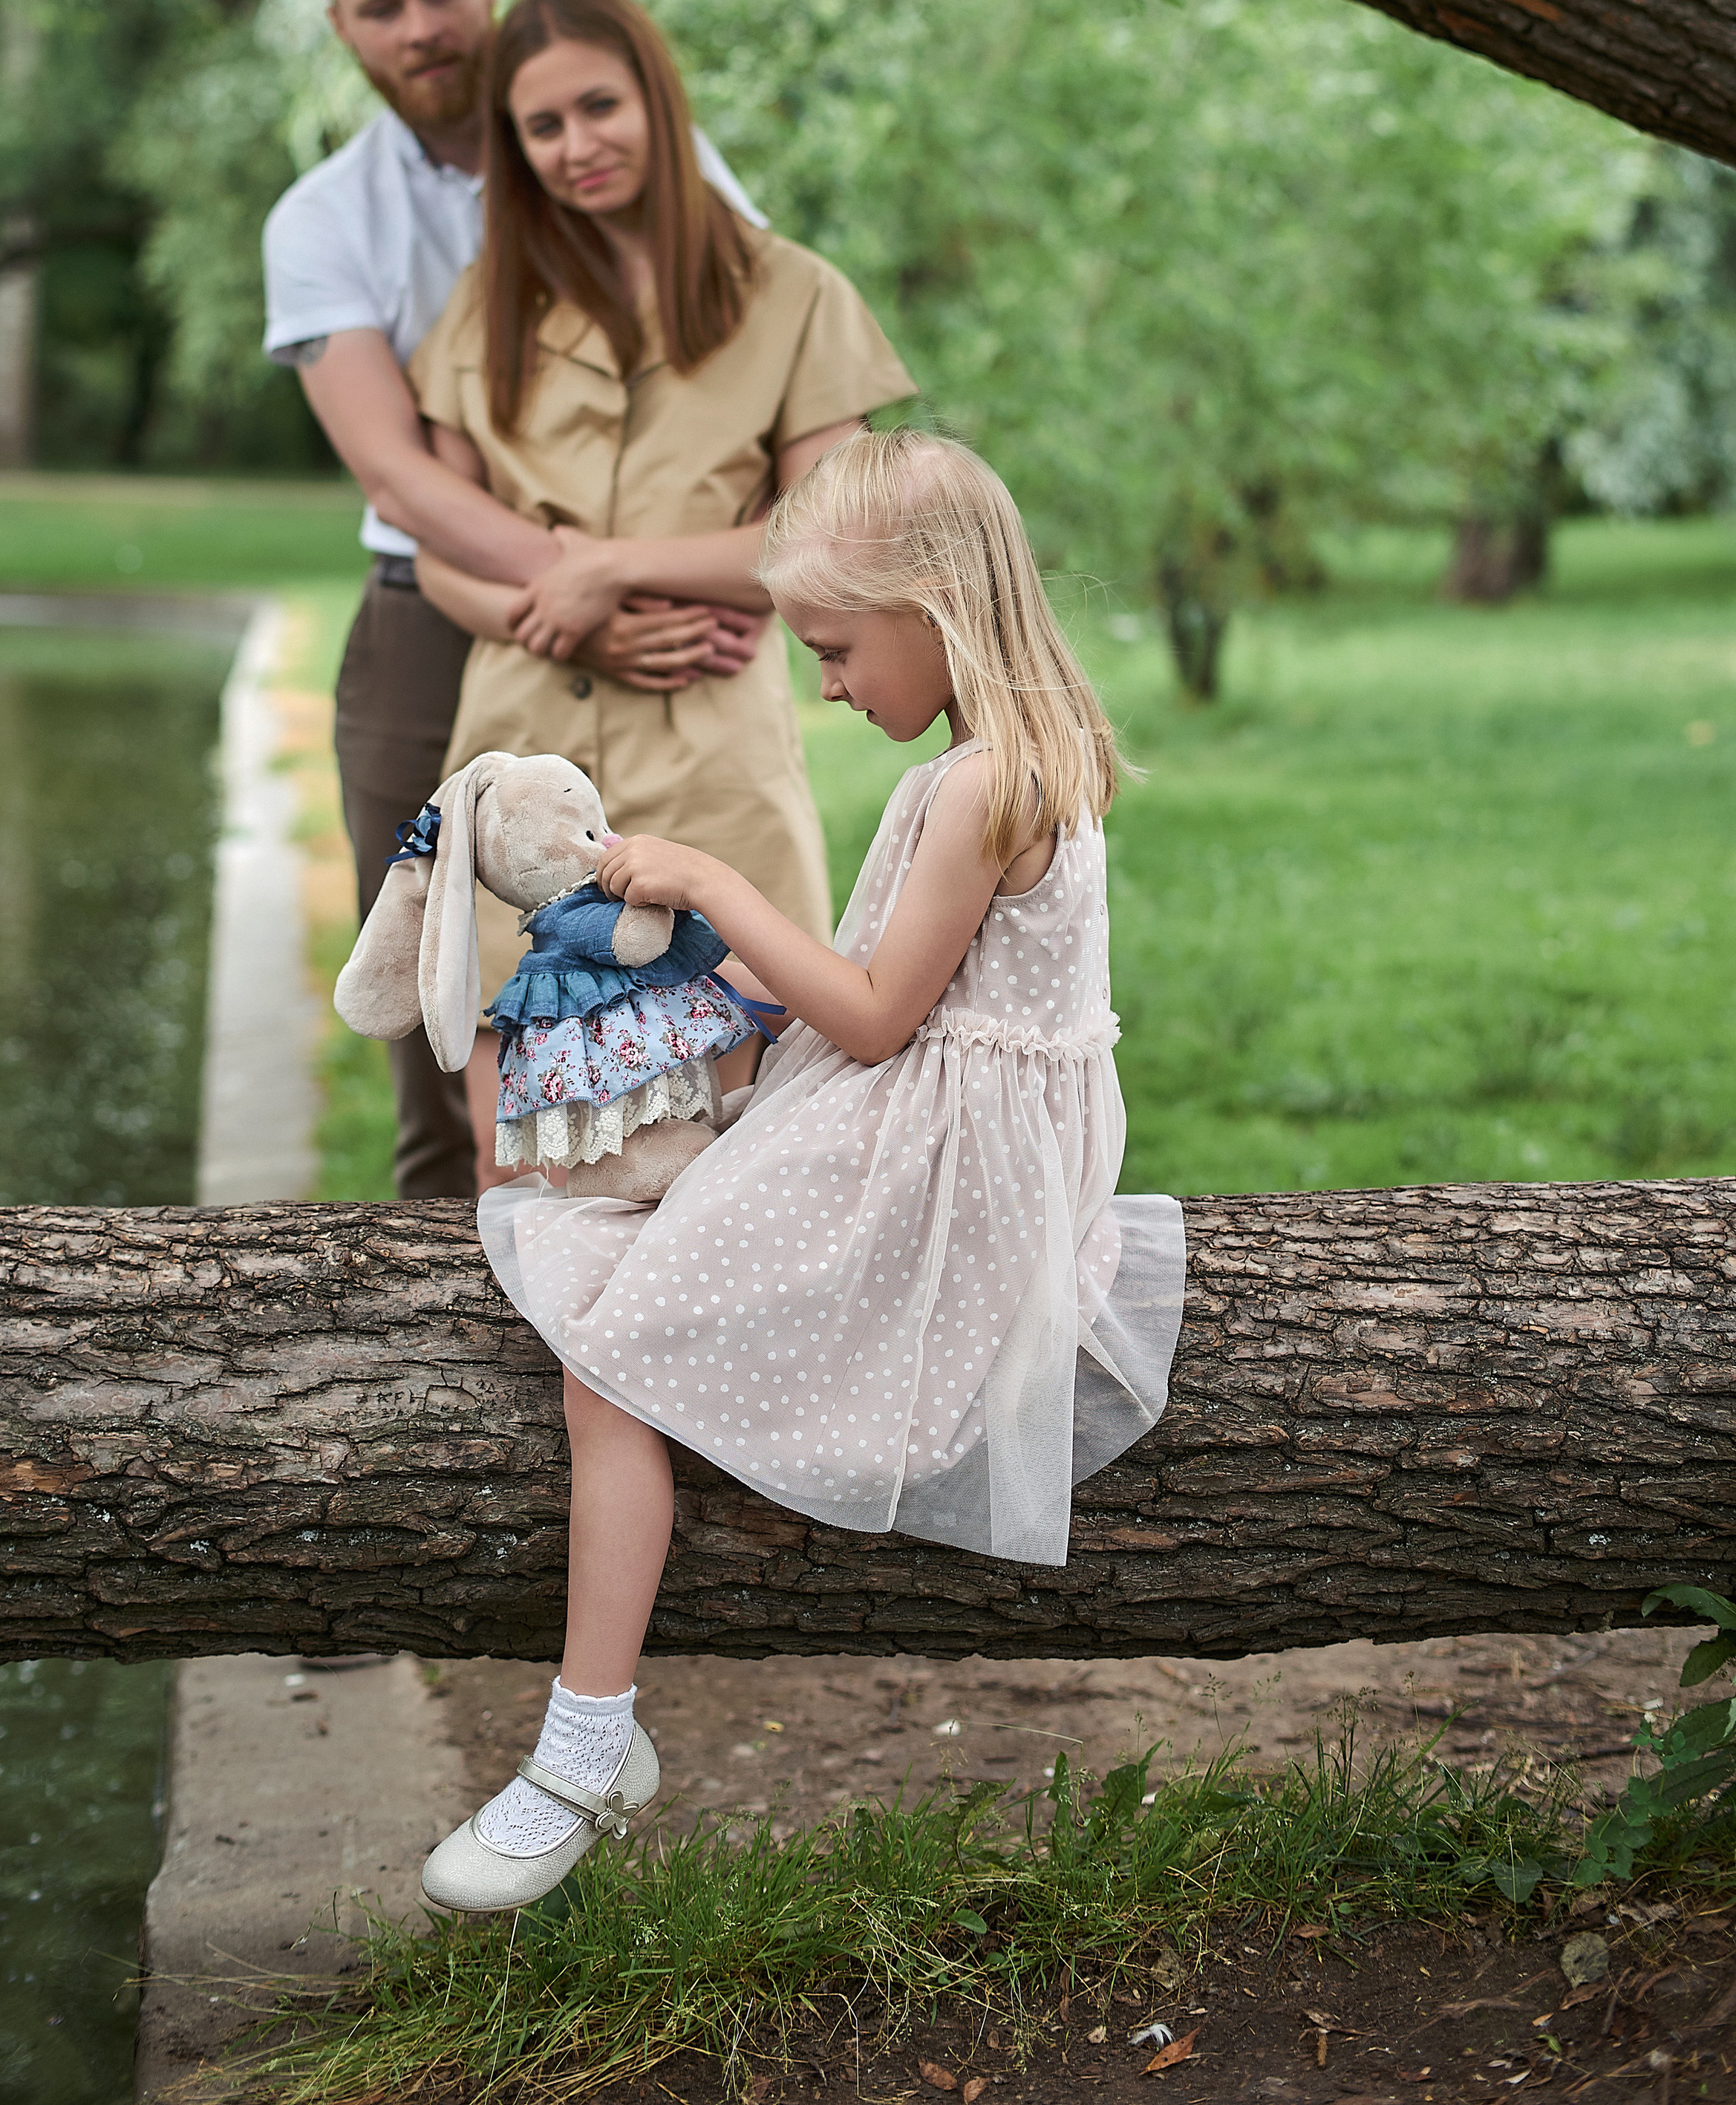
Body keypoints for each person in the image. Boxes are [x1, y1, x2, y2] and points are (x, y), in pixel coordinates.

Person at [420, 428, 1189, 1913]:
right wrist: (718, 985)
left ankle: (583, 1748)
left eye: (836, 647)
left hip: (935, 1159)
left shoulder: (975, 788)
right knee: (613, 1159)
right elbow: (882, 989)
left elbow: (880, 1013)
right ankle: (595, 1734)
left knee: (613, 1349)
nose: (826, 683)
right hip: (934, 1111)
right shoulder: (1012, 758)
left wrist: (713, 884)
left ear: (935, 608)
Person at [261, 0, 768, 1199]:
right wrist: (578, 587)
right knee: (444, 1015)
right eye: (384, 6)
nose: (422, 25)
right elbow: (395, 472)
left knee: (681, 984)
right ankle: (448, 1369)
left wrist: (661, 578)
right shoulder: (322, 222)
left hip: (660, 618)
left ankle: (682, 1314)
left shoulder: (639, 150)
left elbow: (754, 358)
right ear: (343, 27)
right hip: (433, 621)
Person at [405, 0, 918, 1182]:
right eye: (543, 128)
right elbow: (441, 551)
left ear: (658, 99)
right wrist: (563, 624)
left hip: (713, 770)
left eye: (600, 106)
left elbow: (828, 537)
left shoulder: (793, 295)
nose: (577, 146)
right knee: (520, 1160)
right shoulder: (488, 304)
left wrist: (608, 572)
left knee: (741, 1146)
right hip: (520, 785)